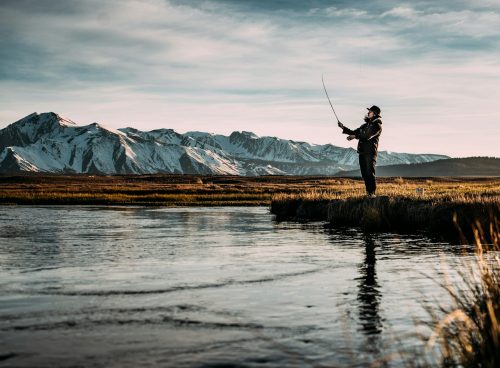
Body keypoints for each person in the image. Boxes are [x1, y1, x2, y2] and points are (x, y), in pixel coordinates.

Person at [338, 106, 382, 198]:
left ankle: (372, 193)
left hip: (370, 153)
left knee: (370, 173)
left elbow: (367, 136)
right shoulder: (365, 125)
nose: (368, 113)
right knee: (365, 173)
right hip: (362, 152)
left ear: (375, 114)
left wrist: (355, 137)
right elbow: (354, 132)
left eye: (370, 111)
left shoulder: (377, 126)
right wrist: (343, 127)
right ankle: (368, 193)